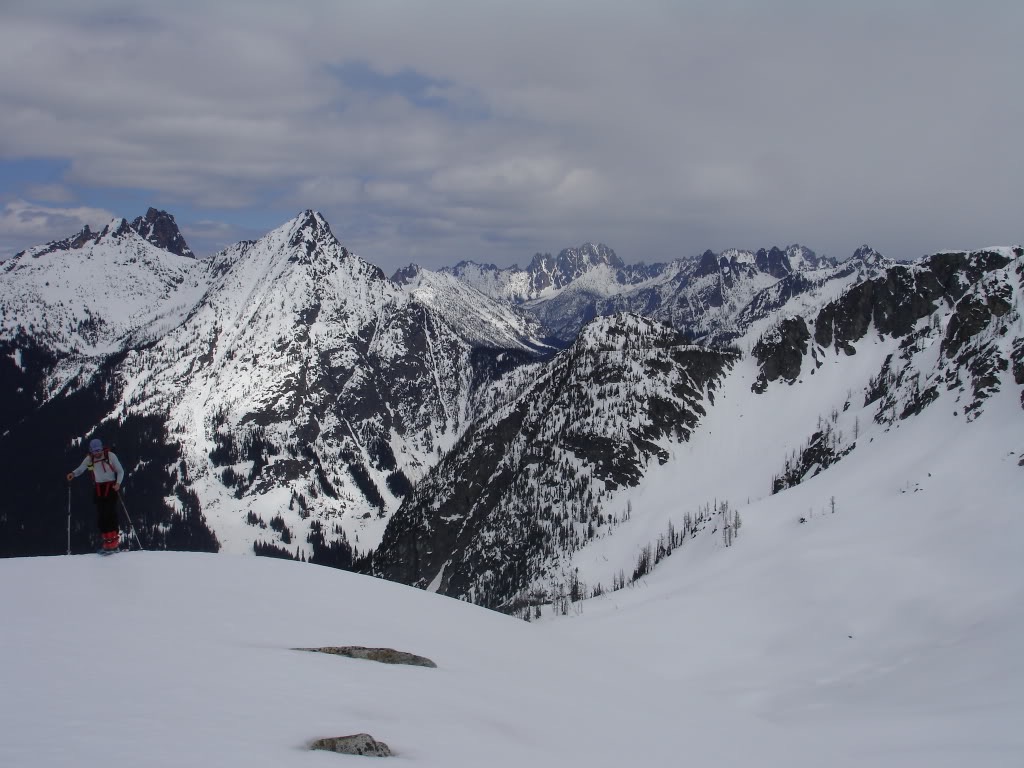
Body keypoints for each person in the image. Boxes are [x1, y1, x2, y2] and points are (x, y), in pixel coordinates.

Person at [67, 438, 126, 553]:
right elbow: (81, 469)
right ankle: (107, 541)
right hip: (99, 488)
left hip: (111, 486)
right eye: (94, 451)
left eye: (98, 450)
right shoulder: (90, 459)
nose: (97, 453)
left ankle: (113, 541)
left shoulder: (110, 456)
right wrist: (73, 474)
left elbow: (120, 471)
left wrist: (118, 484)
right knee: (102, 515)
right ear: (91, 451)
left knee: (110, 512)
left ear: (102, 448)